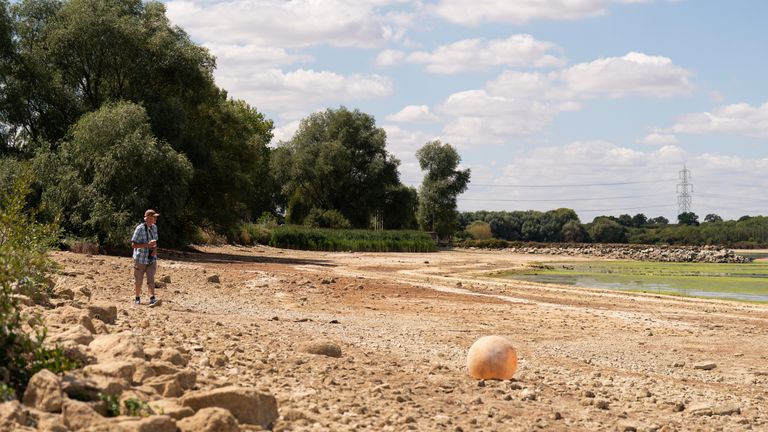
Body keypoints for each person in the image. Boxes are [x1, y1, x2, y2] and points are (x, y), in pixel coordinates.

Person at [131, 209, 160, 306]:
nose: (155, 219)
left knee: (151, 279)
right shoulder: (139, 228)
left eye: (155, 217)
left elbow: (155, 242)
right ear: (148, 218)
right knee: (138, 281)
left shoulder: (154, 227)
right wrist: (147, 245)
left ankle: (152, 298)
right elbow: (133, 245)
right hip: (140, 259)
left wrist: (154, 250)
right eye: (153, 217)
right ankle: (137, 297)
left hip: (152, 259)